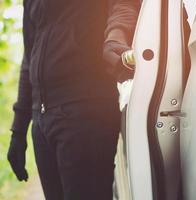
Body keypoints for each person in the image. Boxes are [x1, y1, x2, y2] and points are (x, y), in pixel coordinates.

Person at [7, 0, 140, 199]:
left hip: (85, 112)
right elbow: (29, 56)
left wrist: (116, 36)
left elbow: (123, 5)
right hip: (42, 122)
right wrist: (18, 132)